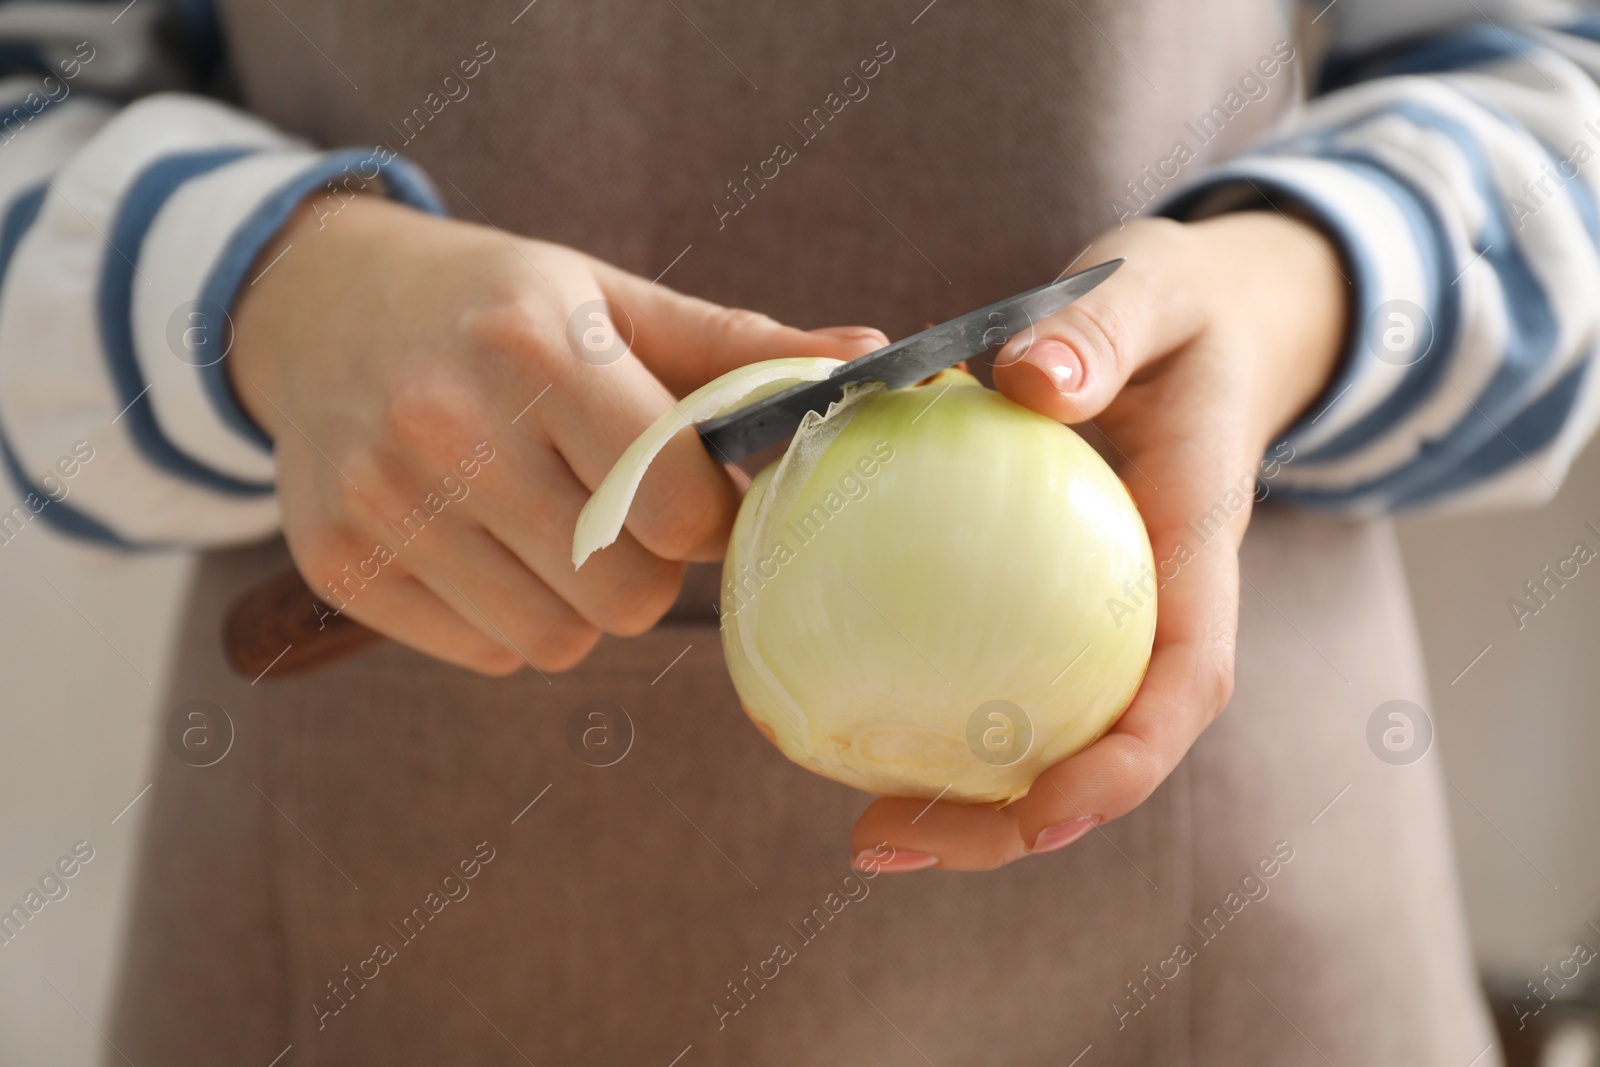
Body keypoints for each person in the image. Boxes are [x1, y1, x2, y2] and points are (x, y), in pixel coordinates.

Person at [2, 0, 1596, 1062]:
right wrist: (279, 296)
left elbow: (1559, 92)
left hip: (1227, 909)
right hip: (374, 905)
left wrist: (1289, 290)